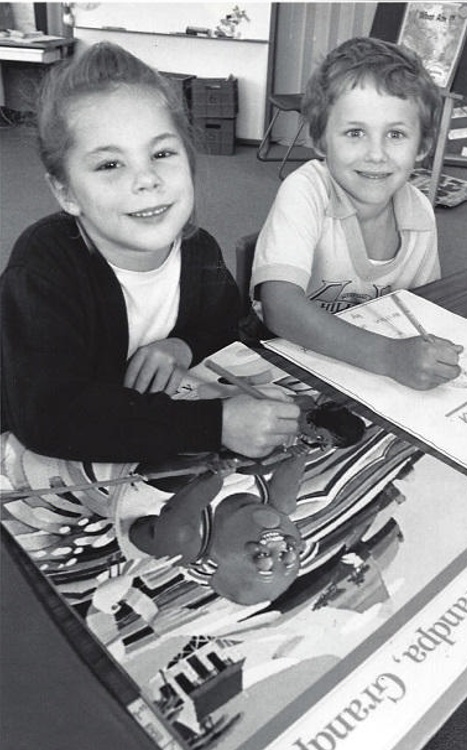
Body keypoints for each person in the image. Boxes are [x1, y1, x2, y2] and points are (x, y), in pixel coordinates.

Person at [0, 42, 299, 463]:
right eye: (109, 165)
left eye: (161, 153)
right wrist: (217, 425)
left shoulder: (199, 249)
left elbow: (229, 323)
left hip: (150, 434)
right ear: (66, 191)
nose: (146, 179)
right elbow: (49, 417)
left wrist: (183, 346)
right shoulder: (43, 267)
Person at [251, 36, 462, 391]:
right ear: (320, 140)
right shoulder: (306, 191)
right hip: (289, 362)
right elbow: (279, 307)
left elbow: (425, 307)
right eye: (355, 133)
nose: (376, 154)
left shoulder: (420, 212)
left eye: (396, 134)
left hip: (370, 373)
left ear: (422, 146)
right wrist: (389, 357)